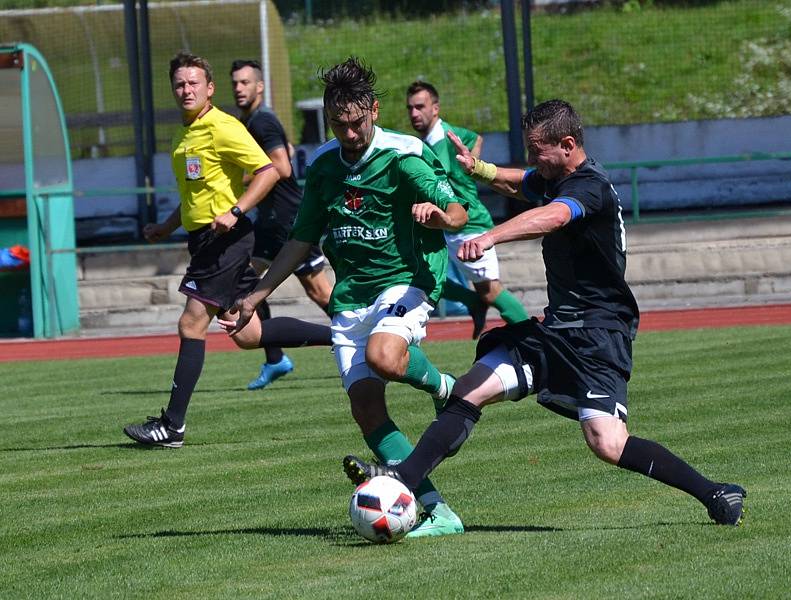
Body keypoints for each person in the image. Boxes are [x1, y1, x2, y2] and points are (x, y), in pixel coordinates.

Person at [343, 99, 747, 527]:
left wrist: (490, 236)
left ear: (568, 145)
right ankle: (402, 479)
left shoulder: (587, 187)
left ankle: (716, 492)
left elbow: (552, 216)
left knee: (606, 442)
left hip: (597, 335)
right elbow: (525, 183)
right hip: (556, 329)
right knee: (470, 388)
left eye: (538, 151)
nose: (533, 160)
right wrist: (480, 169)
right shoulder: (557, 176)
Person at [221, 57, 469, 537]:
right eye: (339, 125)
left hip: (407, 279)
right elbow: (301, 239)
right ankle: (439, 512)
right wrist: (256, 295)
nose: (350, 133)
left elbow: (456, 211)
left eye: (357, 123)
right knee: (366, 410)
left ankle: (445, 388)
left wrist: (440, 219)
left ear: (374, 110)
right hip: (351, 294)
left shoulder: (404, 155)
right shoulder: (324, 166)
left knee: (384, 355)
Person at [123, 52, 331, 448]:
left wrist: (236, 210)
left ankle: (172, 425)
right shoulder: (183, 133)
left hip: (227, 242)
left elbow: (270, 170)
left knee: (190, 324)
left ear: (209, 88)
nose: (186, 90)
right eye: (180, 84)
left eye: (193, 83)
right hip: (204, 240)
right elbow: (194, 196)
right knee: (247, 332)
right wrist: (165, 227)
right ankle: (342, 335)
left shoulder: (223, 126)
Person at [231, 59, 334, 391]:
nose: (239, 88)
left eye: (245, 82)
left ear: (259, 87)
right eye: (235, 83)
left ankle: (367, 341)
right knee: (244, 282)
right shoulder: (250, 123)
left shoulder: (263, 122)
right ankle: (275, 358)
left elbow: (282, 167)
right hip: (269, 223)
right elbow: (283, 151)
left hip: (289, 220)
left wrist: (234, 177)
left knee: (319, 291)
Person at [406, 81, 528, 339]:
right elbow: (476, 138)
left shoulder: (439, 141)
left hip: (468, 225)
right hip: (447, 223)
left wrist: (467, 173)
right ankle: (472, 302)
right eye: (410, 108)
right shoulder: (443, 133)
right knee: (419, 274)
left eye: (420, 107)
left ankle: (534, 337)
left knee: (491, 291)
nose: (414, 113)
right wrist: (468, 167)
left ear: (435, 108)